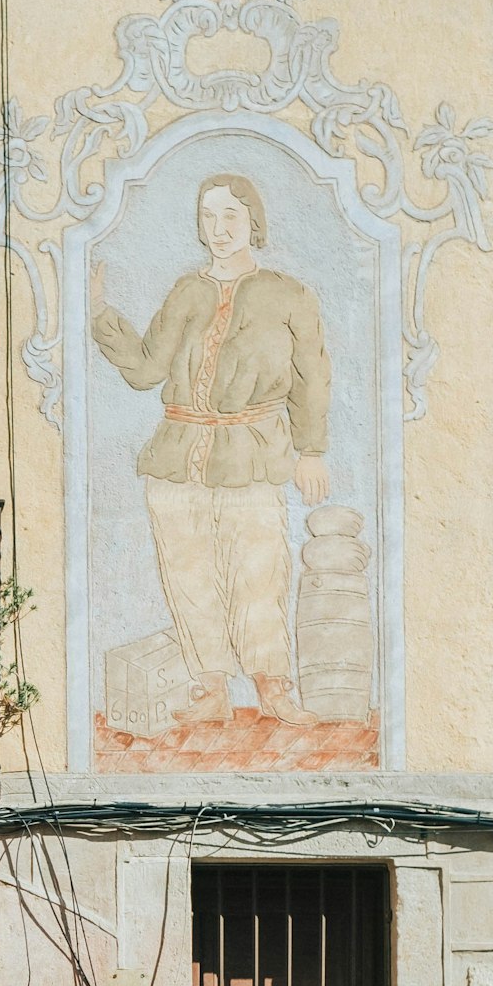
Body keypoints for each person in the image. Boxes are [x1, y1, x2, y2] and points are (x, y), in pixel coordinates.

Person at [91, 171, 332, 730]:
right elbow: (148, 367)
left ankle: (273, 687)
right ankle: (211, 688)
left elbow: (312, 377)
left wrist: (312, 450)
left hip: (253, 454)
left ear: (253, 222)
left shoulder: (291, 295)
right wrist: (100, 311)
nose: (219, 229)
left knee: (259, 573)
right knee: (189, 575)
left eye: (231, 216)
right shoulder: (187, 290)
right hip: (177, 457)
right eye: (209, 216)